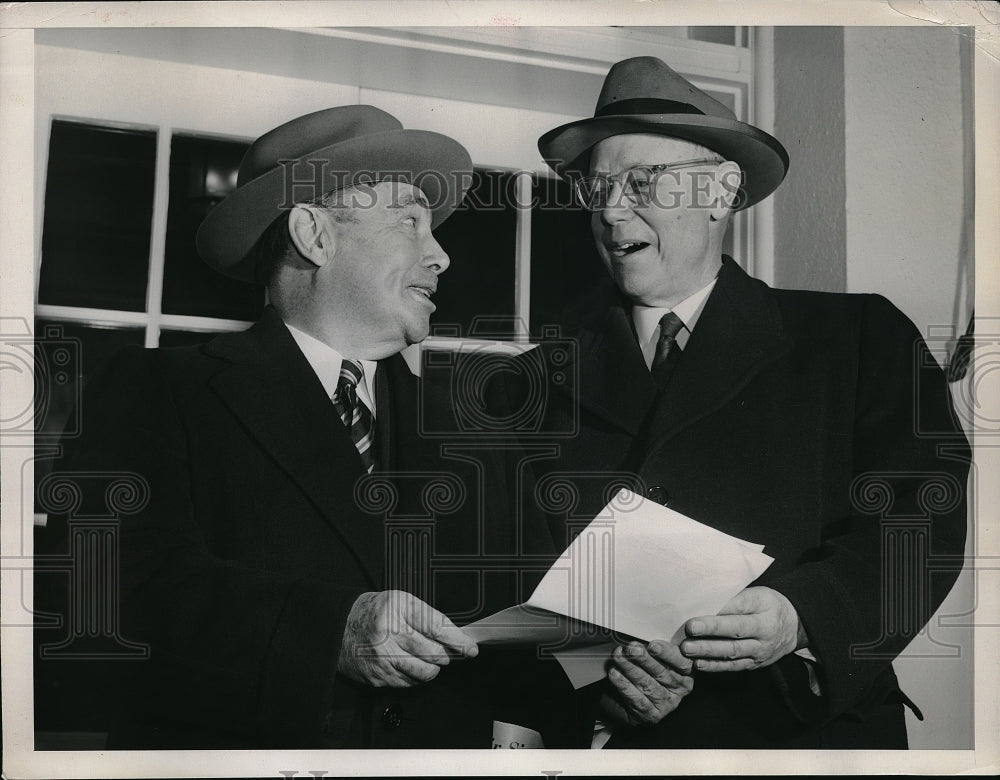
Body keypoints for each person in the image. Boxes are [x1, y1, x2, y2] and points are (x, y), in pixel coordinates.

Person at [34, 105, 547, 749]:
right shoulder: (157, 389)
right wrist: (331, 631)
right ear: (314, 235)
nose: (440, 254)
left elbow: (516, 628)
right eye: (410, 220)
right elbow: (96, 598)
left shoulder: (475, 432)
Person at [508, 56, 971, 748]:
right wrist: (602, 684)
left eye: (642, 182)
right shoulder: (531, 383)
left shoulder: (859, 338)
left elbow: (920, 519)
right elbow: (513, 585)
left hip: (810, 743)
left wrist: (802, 616)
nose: (608, 210)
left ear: (721, 191)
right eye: (598, 186)